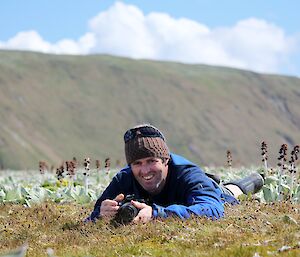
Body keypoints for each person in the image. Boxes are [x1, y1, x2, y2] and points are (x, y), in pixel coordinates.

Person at [86, 124, 264, 223]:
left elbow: (213, 209)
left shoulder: (187, 173)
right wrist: (101, 214)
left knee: (228, 192)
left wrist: (156, 214)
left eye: (151, 161)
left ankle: (245, 182)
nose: (145, 170)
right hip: (177, 199)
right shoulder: (124, 178)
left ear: (166, 160)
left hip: (209, 192)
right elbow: (89, 220)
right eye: (137, 163)